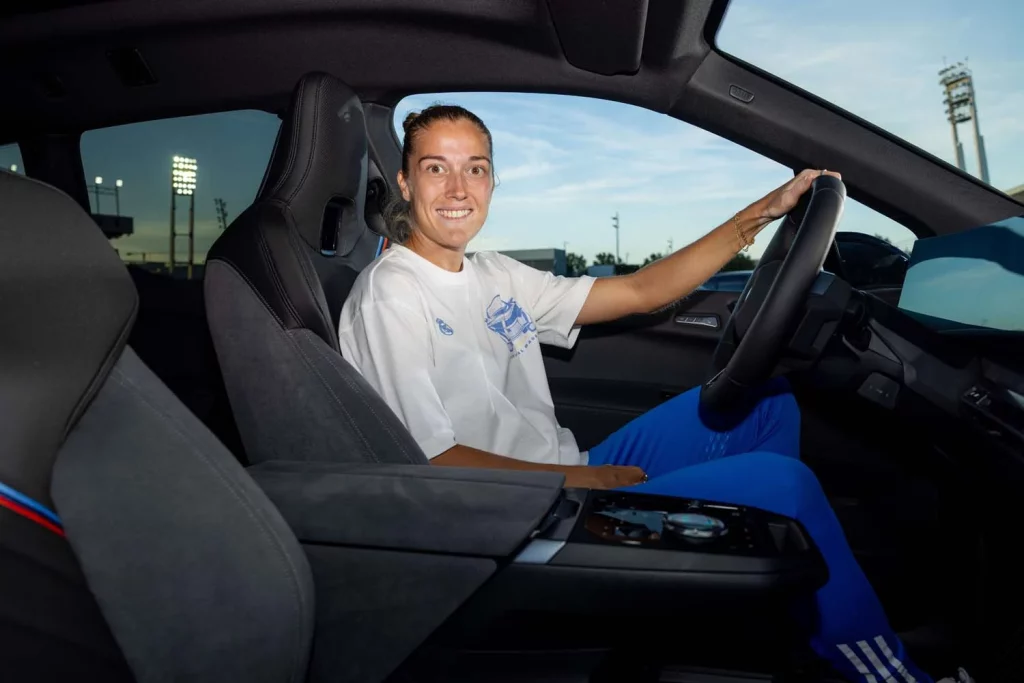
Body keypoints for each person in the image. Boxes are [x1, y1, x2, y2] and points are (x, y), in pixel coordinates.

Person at [336, 104, 973, 683]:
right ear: (405, 183)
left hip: (564, 471)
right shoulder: (391, 293)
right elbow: (432, 463)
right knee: (786, 488)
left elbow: (639, 292)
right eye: (435, 168)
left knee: (768, 404)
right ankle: (894, 675)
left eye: (474, 168)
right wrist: (571, 483)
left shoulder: (494, 274)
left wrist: (761, 213)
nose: (457, 189)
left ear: (493, 181)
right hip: (515, 512)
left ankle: (770, 607)